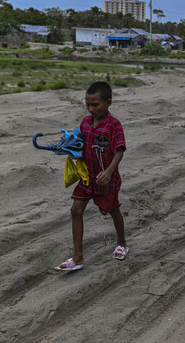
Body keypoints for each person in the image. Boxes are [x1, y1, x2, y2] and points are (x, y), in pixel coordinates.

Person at [54, 81, 128, 271]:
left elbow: (119, 150)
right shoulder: (85, 123)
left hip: (106, 178)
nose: (90, 109)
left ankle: (122, 243)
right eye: (88, 105)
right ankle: (78, 257)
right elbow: (79, 144)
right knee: (76, 210)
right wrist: (67, 147)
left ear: (108, 102)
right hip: (87, 177)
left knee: (113, 209)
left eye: (95, 105)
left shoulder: (114, 125)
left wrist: (109, 171)